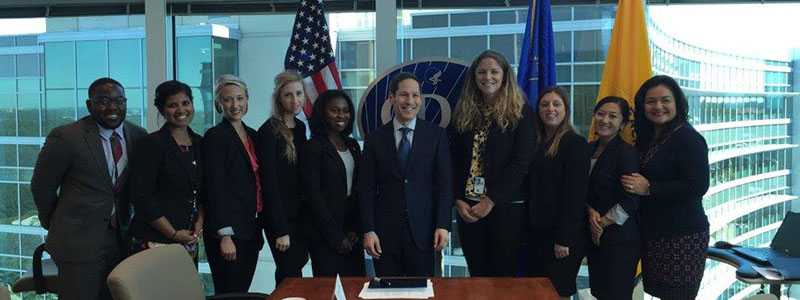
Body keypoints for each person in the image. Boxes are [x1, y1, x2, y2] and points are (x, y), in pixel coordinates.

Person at [30, 77, 147, 300]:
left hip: (122, 240)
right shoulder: (66, 137)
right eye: (103, 101)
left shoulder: (138, 135)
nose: (112, 107)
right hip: (78, 242)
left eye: (119, 101)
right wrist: (54, 222)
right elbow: (41, 187)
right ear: (89, 104)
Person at [621, 75, 709, 300]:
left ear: (677, 103)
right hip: (655, 234)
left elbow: (697, 185)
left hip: (682, 237)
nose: (658, 106)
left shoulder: (688, 138)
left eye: (665, 100)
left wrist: (650, 188)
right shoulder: (650, 137)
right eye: (651, 101)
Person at [450, 50, 536, 276]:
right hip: (468, 208)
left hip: (504, 209)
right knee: (477, 274)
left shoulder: (521, 113)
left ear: (505, 75)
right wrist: (458, 199)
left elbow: (521, 163)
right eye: (482, 72)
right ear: (474, 76)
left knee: (502, 277)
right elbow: (454, 159)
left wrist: (490, 201)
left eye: (494, 71)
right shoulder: (463, 112)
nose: (488, 77)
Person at [359, 72, 453, 277]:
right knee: (387, 294)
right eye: (403, 95)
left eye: (415, 95)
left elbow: (445, 186)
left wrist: (443, 225)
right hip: (384, 237)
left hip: (425, 234)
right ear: (392, 98)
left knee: (422, 293)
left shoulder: (436, 135)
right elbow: (365, 189)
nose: (410, 101)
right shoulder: (375, 139)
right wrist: (369, 229)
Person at [128, 80, 204, 261]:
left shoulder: (200, 143)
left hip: (188, 238)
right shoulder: (150, 144)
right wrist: (173, 234)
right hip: (154, 239)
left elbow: (203, 191)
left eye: (185, 103)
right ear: (162, 110)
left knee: (183, 290)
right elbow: (141, 197)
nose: (181, 110)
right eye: (172, 105)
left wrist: (199, 223)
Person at [525, 86, 590, 299]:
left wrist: (565, 238)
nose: (550, 109)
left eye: (556, 104)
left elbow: (575, 196)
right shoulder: (536, 142)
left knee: (557, 292)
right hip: (538, 233)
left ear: (566, 110)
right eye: (544, 104)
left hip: (562, 238)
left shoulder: (576, 144)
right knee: (537, 292)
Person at [203, 74, 263, 293]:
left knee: (242, 292)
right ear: (219, 103)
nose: (235, 105)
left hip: (249, 230)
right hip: (228, 234)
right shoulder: (215, 136)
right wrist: (225, 234)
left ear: (247, 100)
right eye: (228, 99)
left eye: (239, 98)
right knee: (229, 293)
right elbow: (214, 188)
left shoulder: (253, 135)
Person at [256, 71, 310, 285]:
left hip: (300, 216)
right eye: (288, 95)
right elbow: (268, 183)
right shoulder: (269, 131)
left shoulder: (301, 127)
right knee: (289, 274)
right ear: (279, 97)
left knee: (295, 270)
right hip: (280, 218)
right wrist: (280, 230)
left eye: (298, 93)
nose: (295, 100)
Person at [305, 89, 365, 276]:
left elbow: (358, 189)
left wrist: (355, 229)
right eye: (335, 110)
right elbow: (313, 195)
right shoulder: (313, 147)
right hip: (325, 233)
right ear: (323, 113)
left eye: (346, 110)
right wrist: (336, 237)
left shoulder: (353, 145)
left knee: (356, 288)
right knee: (329, 290)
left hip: (352, 231)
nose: (341, 115)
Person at [585, 96, 640, 300]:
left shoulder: (627, 153)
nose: (604, 120)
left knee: (616, 295)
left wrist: (601, 223)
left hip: (620, 239)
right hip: (595, 236)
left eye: (612, 116)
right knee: (599, 293)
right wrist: (589, 212)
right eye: (600, 114)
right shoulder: (587, 148)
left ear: (623, 123)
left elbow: (631, 199)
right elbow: (580, 189)